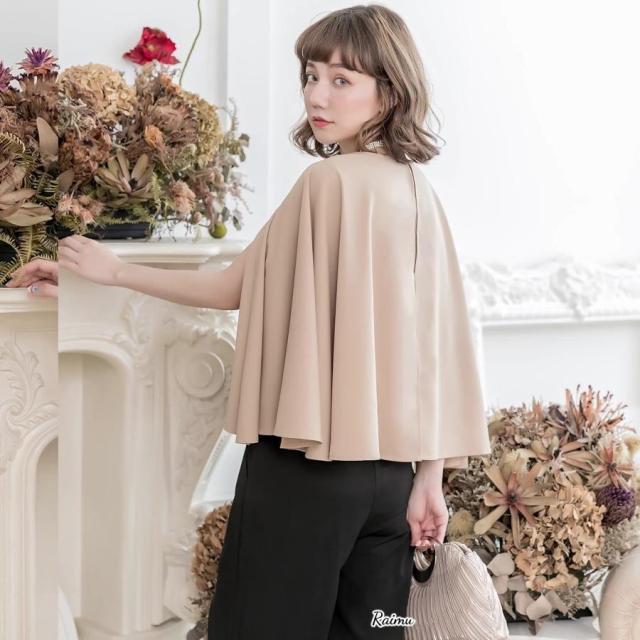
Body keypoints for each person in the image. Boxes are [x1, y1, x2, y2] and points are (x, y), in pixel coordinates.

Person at [56, 5, 492, 638]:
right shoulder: (420, 192)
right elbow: (435, 347)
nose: (317, 95)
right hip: (391, 483)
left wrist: (115, 270)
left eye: (342, 80)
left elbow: (231, 287)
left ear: (390, 92)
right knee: (378, 626)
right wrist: (430, 477)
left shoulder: (326, 183)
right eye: (311, 75)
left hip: (307, 471)